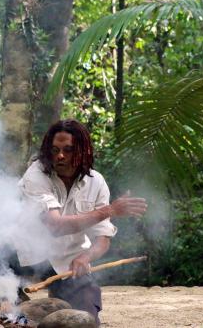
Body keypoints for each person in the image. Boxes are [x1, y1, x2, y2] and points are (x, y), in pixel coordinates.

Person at [16, 119, 147, 325]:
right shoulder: (36, 175)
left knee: (86, 320)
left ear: (83, 151)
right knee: (3, 309)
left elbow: (103, 238)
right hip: (24, 255)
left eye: (68, 150)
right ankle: (12, 301)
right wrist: (111, 209)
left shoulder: (97, 182)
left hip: (68, 261)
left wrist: (86, 257)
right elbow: (56, 226)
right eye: (55, 150)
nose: (60, 156)